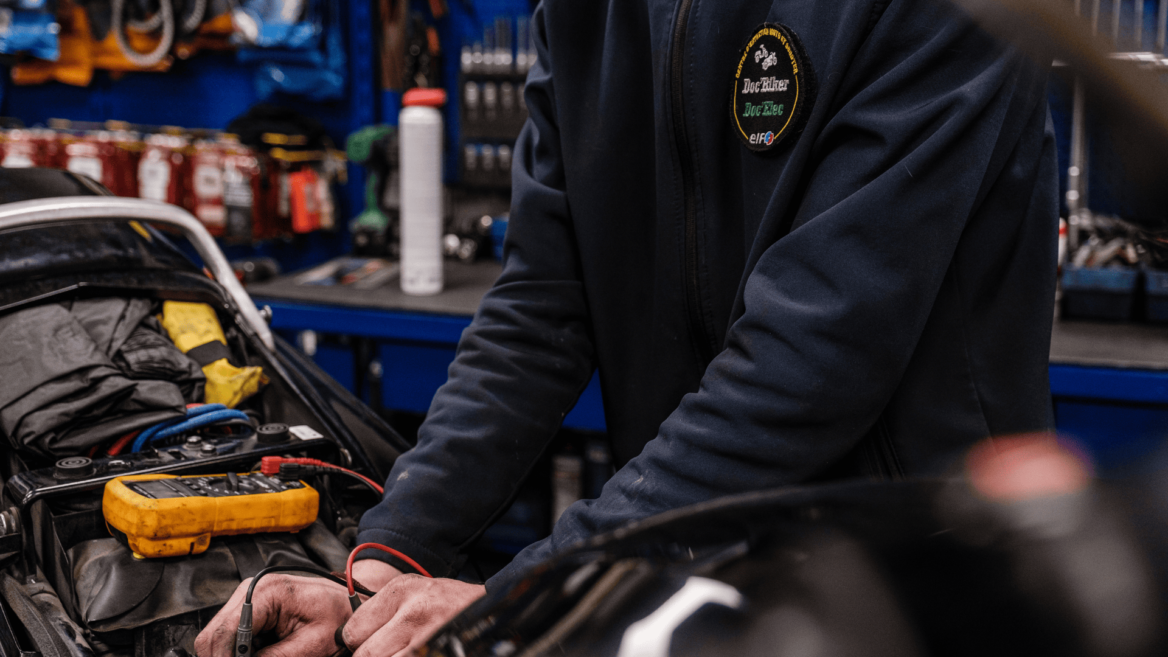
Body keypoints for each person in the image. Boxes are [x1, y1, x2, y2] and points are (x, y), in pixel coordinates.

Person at [196, 0, 1058, 654]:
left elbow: (813, 354)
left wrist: (535, 592)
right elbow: (540, 305)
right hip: (693, 560)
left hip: (916, 576)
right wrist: (386, 557)